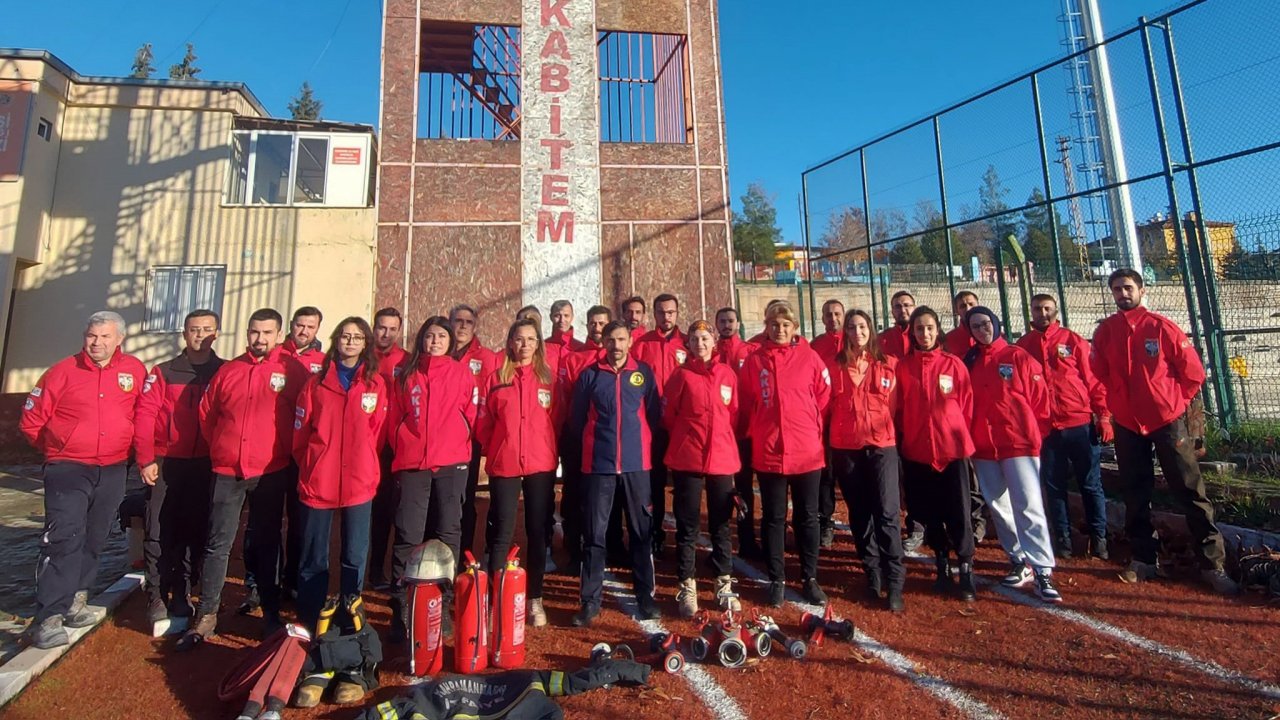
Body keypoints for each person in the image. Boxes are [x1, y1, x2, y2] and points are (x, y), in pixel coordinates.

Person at [1092, 269, 1237, 594]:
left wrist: (1172, 404)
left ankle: (1212, 565)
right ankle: (1144, 560)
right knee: (1135, 491)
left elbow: (1193, 374)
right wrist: (1119, 402)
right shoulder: (1106, 332)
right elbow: (1099, 371)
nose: (1122, 294)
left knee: (1189, 489)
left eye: (1128, 287)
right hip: (1128, 424)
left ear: (1141, 290)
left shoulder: (1161, 328)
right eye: (1117, 289)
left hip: (1167, 422)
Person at [180, 308, 310, 649]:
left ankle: (270, 613)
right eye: (255, 332)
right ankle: (207, 613)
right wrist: (225, 449)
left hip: (270, 470)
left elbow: (304, 416)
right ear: (247, 333)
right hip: (227, 471)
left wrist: (284, 450)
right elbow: (208, 416)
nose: (260, 339)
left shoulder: (293, 371)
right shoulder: (229, 371)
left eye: (268, 333)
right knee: (218, 543)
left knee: (267, 543)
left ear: (279, 335)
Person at [20, 311, 147, 649]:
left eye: (105, 337)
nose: (97, 343)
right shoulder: (61, 372)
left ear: (119, 339)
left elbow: (142, 414)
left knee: (94, 536)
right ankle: (48, 616)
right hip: (68, 468)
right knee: (63, 537)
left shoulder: (134, 371)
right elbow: (31, 420)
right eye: (92, 336)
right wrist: (59, 449)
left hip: (113, 467)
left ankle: (76, 598)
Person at [292, 317, 388, 628]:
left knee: (354, 554)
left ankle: (351, 616)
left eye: (357, 337)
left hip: (359, 482)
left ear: (365, 344)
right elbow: (301, 435)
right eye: (345, 336)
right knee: (314, 556)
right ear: (336, 340)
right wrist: (315, 463)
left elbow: (378, 433)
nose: (350, 342)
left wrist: (365, 464)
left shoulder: (375, 384)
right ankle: (309, 617)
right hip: (319, 481)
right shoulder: (315, 384)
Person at [388, 316, 480, 639]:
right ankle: (401, 605)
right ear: (421, 340)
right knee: (408, 532)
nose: (435, 341)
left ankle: (443, 602)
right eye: (429, 336)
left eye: (441, 336)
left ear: (450, 341)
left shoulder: (462, 374)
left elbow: (471, 412)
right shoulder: (407, 375)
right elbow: (394, 416)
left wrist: (459, 439)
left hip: (452, 461)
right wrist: (404, 441)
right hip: (414, 461)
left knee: (448, 529)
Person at [963, 307, 1061, 603]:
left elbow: (1040, 402)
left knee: (1029, 505)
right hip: (985, 446)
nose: (983, 330)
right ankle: (1019, 560)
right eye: (976, 326)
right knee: (1000, 507)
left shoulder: (1016, 357)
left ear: (996, 324)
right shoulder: (971, 362)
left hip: (1019, 444)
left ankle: (1043, 568)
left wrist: (1032, 433)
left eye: (986, 324)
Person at [133, 309, 224, 626]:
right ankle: (157, 594)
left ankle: (184, 591)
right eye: (194, 329)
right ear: (184, 334)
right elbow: (144, 416)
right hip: (166, 462)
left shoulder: (225, 371)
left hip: (206, 464)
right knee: (158, 529)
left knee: (195, 531)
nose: (200, 335)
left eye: (206, 329)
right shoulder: (163, 371)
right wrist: (146, 458)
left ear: (217, 333)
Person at [568, 321, 662, 627]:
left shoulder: (644, 373)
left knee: (641, 533)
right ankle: (589, 601)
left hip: (636, 464)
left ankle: (645, 598)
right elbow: (577, 418)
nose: (616, 345)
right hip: (599, 465)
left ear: (630, 341)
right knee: (594, 535)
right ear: (603, 343)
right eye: (611, 340)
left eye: (621, 339)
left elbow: (653, 414)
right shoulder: (590, 375)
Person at [739, 302, 831, 607]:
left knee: (807, 517)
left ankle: (810, 578)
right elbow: (747, 398)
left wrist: (808, 423)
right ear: (767, 326)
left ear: (794, 328)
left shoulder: (810, 358)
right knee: (774, 518)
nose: (779, 330)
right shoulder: (754, 361)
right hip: (770, 450)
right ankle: (776, 579)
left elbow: (823, 395)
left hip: (806, 451)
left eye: (785, 325)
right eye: (774, 325)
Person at [477, 319, 564, 628]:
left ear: (538, 344)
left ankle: (535, 598)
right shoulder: (495, 378)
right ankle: (496, 599)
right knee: (501, 531)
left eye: (530, 339)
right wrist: (498, 447)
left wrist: (546, 448)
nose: (525, 345)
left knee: (538, 531)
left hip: (540, 465)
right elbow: (484, 420)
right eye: (519, 339)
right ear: (510, 342)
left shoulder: (549, 379)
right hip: (506, 464)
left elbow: (557, 417)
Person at [1016, 294, 1112, 560]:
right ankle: (1063, 540)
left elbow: (1093, 380)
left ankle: (1099, 539)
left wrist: (1103, 415)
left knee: (1090, 484)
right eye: (1037, 309)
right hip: (1046, 429)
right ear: (1031, 312)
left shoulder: (1073, 341)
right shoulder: (1023, 347)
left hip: (1079, 423)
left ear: (1055, 311)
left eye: (1047, 308)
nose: (1042, 313)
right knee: (1054, 485)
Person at [896, 306, 977, 602]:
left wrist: (953, 434)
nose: (925, 333)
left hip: (951, 451)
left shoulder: (954, 364)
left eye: (929, 328)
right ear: (913, 333)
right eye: (919, 329)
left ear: (937, 329)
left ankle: (965, 566)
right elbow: (901, 408)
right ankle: (942, 563)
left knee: (959, 511)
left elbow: (966, 405)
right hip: (918, 453)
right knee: (930, 513)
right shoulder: (903, 368)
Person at [827, 309, 905, 613]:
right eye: (851, 327)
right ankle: (872, 572)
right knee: (860, 514)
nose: (857, 332)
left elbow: (894, 408)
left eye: (862, 326)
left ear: (870, 330)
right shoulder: (834, 368)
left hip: (882, 446)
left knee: (886, 512)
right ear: (845, 332)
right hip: (847, 449)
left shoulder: (888, 366)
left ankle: (895, 579)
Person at [664, 320, 741, 618]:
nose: (700, 344)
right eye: (695, 339)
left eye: (705, 338)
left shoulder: (727, 374)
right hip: (688, 458)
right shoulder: (681, 375)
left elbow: (732, 413)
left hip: (721, 458)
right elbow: (669, 413)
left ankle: (723, 583)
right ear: (689, 345)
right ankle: (687, 584)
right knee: (688, 524)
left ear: (714, 342)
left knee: (721, 524)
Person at [632, 294, 688, 558]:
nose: (666, 317)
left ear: (677, 314)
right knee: (653, 483)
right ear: (653, 314)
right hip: (652, 425)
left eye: (671, 312)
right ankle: (654, 533)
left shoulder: (689, 343)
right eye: (661, 312)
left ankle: (685, 537)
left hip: (682, 426)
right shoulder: (642, 345)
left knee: (683, 483)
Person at [559, 305, 612, 576]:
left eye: (602, 322)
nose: (597, 327)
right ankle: (574, 550)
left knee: (607, 495)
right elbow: (566, 398)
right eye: (593, 323)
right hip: (578, 437)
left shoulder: (619, 357)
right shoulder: (574, 358)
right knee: (574, 495)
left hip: (608, 439)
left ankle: (609, 547)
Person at [450, 303, 496, 564]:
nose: (463, 326)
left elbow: (489, 399)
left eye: (468, 322)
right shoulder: (440, 352)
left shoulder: (486, 358)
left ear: (475, 326)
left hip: (470, 440)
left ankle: (464, 555)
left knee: (465, 500)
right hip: (440, 439)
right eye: (458, 320)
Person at [714, 307, 761, 559]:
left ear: (738, 323)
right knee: (718, 490)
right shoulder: (709, 353)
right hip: (718, 435)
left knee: (743, 488)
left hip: (744, 432)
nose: (727, 325)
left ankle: (747, 539)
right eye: (722, 321)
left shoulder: (750, 352)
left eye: (731, 320)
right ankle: (719, 545)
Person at [369, 307, 407, 588]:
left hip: (396, 444)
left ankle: (394, 571)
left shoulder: (406, 360)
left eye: (392, 329)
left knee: (396, 510)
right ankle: (369, 570)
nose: (386, 333)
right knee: (370, 510)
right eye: (382, 327)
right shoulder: (363, 357)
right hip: (369, 443)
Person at [811, 300, 845, 549]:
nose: (833, 318)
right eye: (828, 314)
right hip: (825, 419)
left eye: (837, 314)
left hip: (851, 420)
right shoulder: (816, 347)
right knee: (826, 474)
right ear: (822, 318)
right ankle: (825, 521)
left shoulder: (855, 339)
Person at [878, 291, 915, 361]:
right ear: (892, 311)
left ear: (914, 308)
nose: (903, 310)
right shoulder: (882, 339)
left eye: (906, 305)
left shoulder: (925, 335)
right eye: (898, 307)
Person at [943, 291, 978, 357]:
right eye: (963, 306)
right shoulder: (948, 340)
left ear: (978, 306)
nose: (968, 309)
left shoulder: (991, 334)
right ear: (957, 311)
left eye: (971, 304)